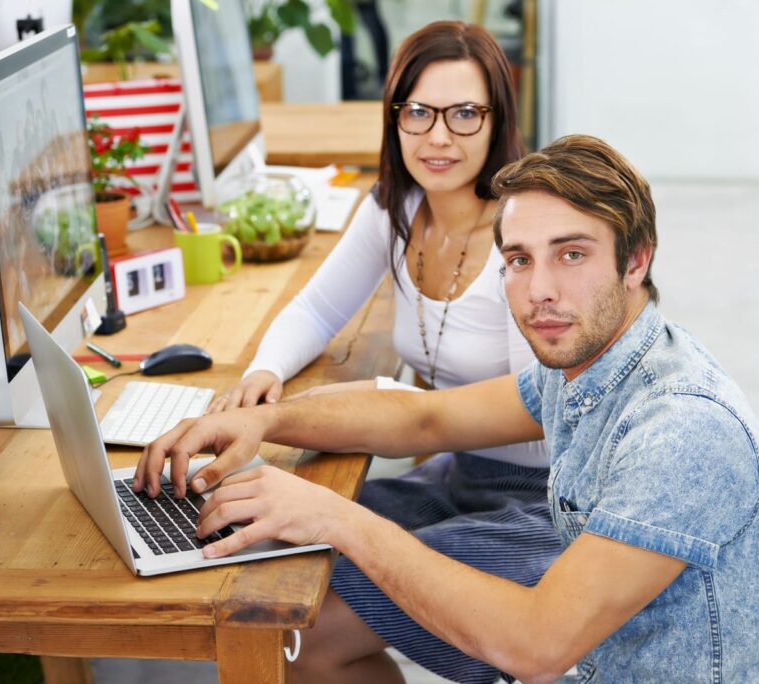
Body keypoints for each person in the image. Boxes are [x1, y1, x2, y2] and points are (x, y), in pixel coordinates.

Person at [136, 134, 759, 682]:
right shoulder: (588, 365)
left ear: (636, 261)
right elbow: (425, 418)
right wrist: (264, 419)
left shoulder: (683, 431)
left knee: (321, 587)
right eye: (519, 260)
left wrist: (336, 517)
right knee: (304, 636)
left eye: (572, 254)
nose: (539, 290)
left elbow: (538, 646)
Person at [207, 21, 560, 683]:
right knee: (270, 551)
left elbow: (532, 411)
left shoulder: (523, 235)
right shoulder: (398, 207)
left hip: (545, 501)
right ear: (395, 116)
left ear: (497, 120)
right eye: (419, 112)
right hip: (463, 475)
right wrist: (263, 374)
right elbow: (317, 308)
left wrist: (378, 409)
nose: (438, 137)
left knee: (309, 636)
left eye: (464, 114)